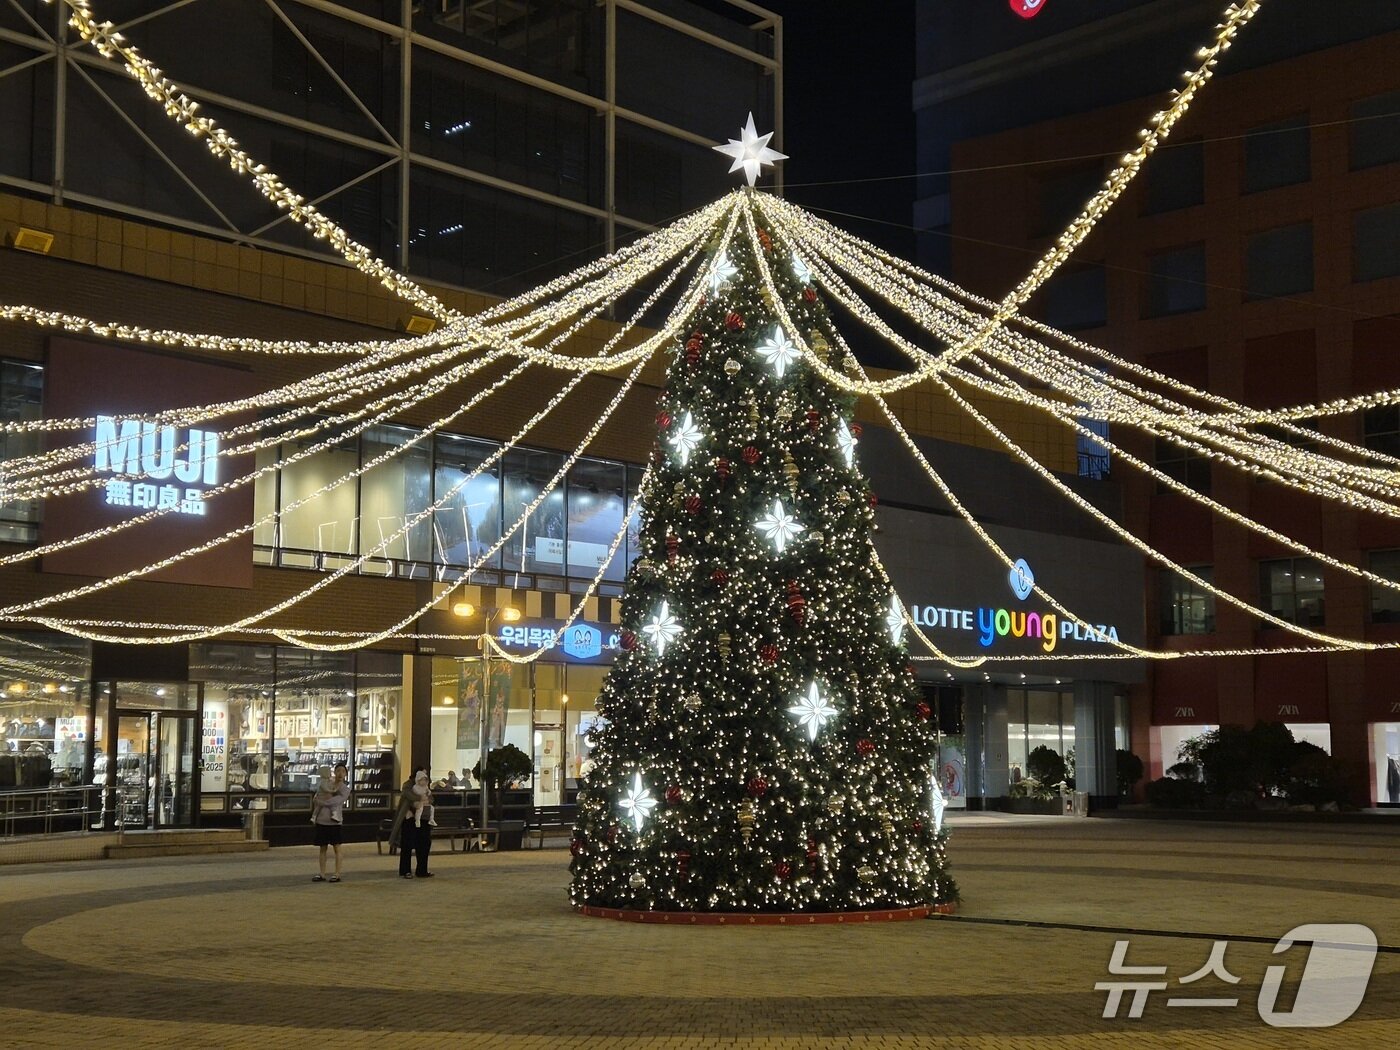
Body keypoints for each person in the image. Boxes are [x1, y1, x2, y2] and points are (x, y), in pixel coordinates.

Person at [390, 768, 434, 879]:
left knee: (424, 844)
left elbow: (431, 799)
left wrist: (426, 799)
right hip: (409, 818)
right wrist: (420, 799)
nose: (425, 777)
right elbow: (409, 796)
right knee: (407, 844)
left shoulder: (426, 786)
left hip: (423, 818)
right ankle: (405, 870)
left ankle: (422, 870)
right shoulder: (408, 785)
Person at [311, 762, 350, 883]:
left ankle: (337, 873)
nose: (340, 773)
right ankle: (322, 873)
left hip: (335, 821)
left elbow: (336, 801)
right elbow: (316, 796)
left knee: (337, 847)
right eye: (338, 771)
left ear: (346, 774)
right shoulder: (327, 784)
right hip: (322, 820)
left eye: (343, 771)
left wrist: (321, 802)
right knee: (322, 848)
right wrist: (318, 800)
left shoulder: (345, 789)